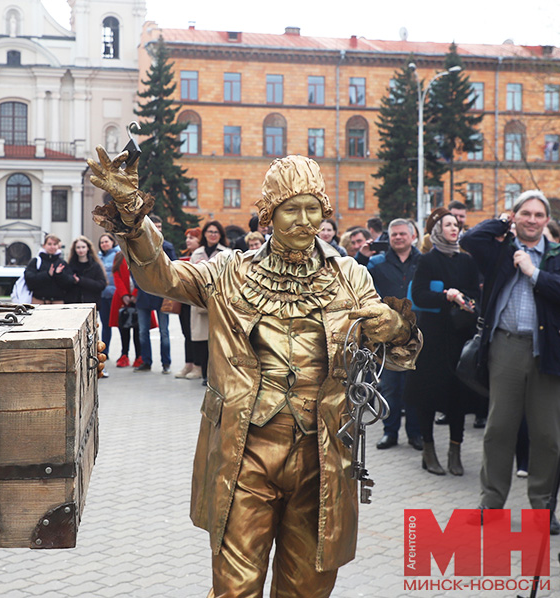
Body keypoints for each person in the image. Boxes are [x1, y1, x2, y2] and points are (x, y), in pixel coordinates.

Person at [88, 149, 421, 596]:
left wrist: (396, 326)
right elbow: (160, 278)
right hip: (244, 451)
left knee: (308, 588)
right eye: (291, 209)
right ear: (268, 215)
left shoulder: (350, 277)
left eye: (313, 209)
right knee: (234, 589)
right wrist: (132, 213)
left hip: (321, 455)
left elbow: (400, 355)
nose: (305, 221)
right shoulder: (228, 272)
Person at [460, 190, 560, 527]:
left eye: (538, 215)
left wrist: (533, 272)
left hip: (547, 350)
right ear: (516, 216)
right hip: (505, 347)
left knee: (547, 434)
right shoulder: (501, 249)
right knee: (499, 428)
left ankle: (543, 508)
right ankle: (491, 503)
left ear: (547, 221)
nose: (532, 220)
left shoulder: (556, 254)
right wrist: (502, 221)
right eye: (525, 213)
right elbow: (471, 238)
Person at [404, 208, 479, 476]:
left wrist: (466, 300)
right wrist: (446, 296)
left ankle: (455, 451)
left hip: (459, 335)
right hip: (432, 337)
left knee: (458, 394)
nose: (454, 228)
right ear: (438, 230)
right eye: (448, 225)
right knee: (428, 394)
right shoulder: (427, 260)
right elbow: (420, 296)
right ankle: (429, 449)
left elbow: (474, 293)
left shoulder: (467, 261)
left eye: (456, 224)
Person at [366, 218, 423, 452]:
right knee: (390, 386)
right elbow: (368, 292)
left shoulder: (423, 262)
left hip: (417, 334)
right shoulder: (377, 263)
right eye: (394, 234)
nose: (398, 237)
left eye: (402, 234)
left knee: (415, 386)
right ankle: (390, 432)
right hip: (388, 335)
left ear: (412, 236)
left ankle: (416, 433)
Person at [133, 215, 176, 374]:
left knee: (164, 331)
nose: (157, 230)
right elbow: (134, 269)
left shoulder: (168, 246)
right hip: (144, 293)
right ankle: (146, 361)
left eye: (160, 227)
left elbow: (174, 268)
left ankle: (166, 363)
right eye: (154, 227)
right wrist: (141, 284)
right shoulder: (139, 246)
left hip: (162, 293)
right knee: (143, 331)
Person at [189, 220, 228, 386]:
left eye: (216, 232)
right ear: (204, 234)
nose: (213, 235)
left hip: (219, 302)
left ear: (220, 235)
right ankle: (204, 374)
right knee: (202, 342)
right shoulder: (197, 253)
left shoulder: (227, 253)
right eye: (210, 231)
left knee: (218, 343)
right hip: (199, 302)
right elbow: (189, 277)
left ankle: (216, 375)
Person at [109, 251, 149, 368]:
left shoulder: (140, 254)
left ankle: (139, 356)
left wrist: (135, 293)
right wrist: (124, 294)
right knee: (123, 327)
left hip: (139, 296)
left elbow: (144, 275)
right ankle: (124, 354)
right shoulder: (119, 256)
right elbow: (116, 275)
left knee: (138, 329)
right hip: (122, 297)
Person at [176, 227, 201, 379]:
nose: (188, 240)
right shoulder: (184, 257)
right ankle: (188, 364)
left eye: (192, 238)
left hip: (196, 301)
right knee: (186, 333)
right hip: (184, 300)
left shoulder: (202, 256)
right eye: (187, 238)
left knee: (197, 334)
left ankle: (198, 366)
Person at [25, 234, 70, 304]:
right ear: (44, 245)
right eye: (49, 244)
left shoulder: (62, 263)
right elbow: (29, 280)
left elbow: (68, 283)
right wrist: (47, 274)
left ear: (58, 246)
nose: (52, 247)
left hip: (57, 302)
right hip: (39, 301)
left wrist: (59, 274)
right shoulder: (36, 261)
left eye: (55, 244)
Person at [63, 235, 107, 304]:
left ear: (88, 248)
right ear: (74, 249)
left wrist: (81, 280)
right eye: (78, 247)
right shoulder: (70, 266)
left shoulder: (95, 266)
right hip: (73, 305)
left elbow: (101, 285)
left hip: (91, 304)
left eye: (83, 247)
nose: (81, 250)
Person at [98, 233, 121, 361]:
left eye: (106, 241)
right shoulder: (98, 257)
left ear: (112, 242)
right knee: (105, 325)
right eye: (102, 242)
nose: (104, 244)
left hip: (116, 294)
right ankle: (105, 352)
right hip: (103, 295)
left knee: (123, 325)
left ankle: (125, 353)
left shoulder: (119, 255)